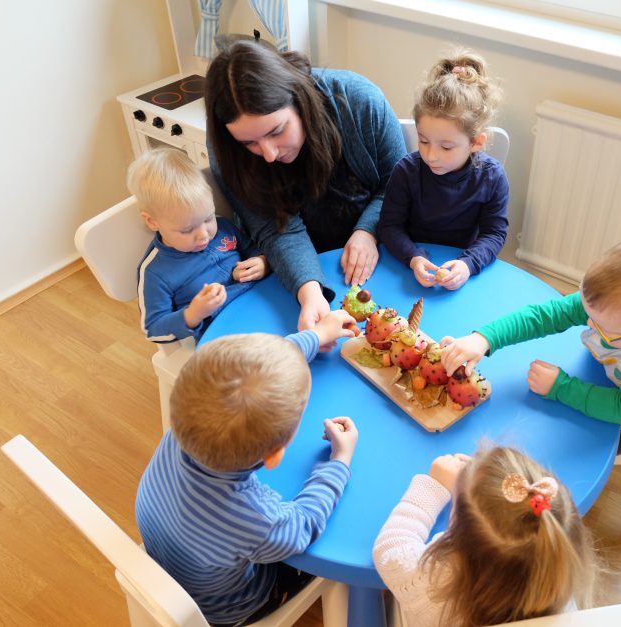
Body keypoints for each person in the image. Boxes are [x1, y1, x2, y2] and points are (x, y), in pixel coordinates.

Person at [136, 314, 359, 627]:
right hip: (231, 608)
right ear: (274, 456)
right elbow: (303, 526)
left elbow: (247, 371)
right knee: (327, 555)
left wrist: (317, 334)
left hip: (171, 557)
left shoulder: (186, 421)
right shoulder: (257, 518)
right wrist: (339, 462)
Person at [205, 34, 407, 335]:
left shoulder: (359, 101)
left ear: (298, 99)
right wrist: (309, 291)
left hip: (380, 253)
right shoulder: (226, 150)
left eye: (277, 131)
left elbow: (397, 184)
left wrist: (367, 230)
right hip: (290, 266)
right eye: (250, 143)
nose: (270, 155)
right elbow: (273, 226)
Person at [441, 237, 621, 454]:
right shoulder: (610, 307)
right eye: (587, 314)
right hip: (605, 375)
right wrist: (484, 339)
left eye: (603, 327)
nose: (590, 326)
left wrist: (560, 387)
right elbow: (544, 316)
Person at [373, 446, 597, 627]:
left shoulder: (432, 581)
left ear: (459, 535)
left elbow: (390, 547)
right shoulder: (557, 582)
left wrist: (434, 486)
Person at [377, 50, 509, 290]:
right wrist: (413, 257)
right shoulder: (406, 171)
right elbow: (389, 226)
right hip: (406, 268)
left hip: (463, 271)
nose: (431, 155)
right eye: (423, 141)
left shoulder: (492, 177)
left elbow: (494, 233)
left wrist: (469, 264)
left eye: (446, 147)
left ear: (476, 143)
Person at [129, 148, 268, 343]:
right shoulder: (155, 272)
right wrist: (194, 314)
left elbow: (254, 247)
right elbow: (153, 329)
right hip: (223, 335)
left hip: (260, 303)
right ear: (153, 222)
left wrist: (262, 262)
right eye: (187, 230)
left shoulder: (223, 226)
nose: (204, 235)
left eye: (208, 218)